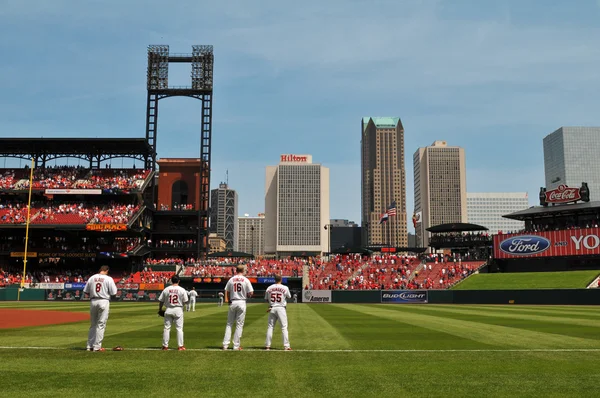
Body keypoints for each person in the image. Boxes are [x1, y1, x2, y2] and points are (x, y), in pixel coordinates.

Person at [83, 265, 117, 352]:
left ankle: (89, 346)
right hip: (103, 301)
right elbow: (114, 292)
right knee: (101, 324)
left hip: (93, 301)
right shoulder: (108, 278)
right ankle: (97, 347)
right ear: (106, 270)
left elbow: (86, 291)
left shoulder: (92, 277)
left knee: (93, 324)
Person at [222, 264, 253, 351]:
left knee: (229, 324)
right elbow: (251, 292)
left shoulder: (231, 279)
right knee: (239, 325)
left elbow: (226, 290)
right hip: (242, 302)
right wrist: (247, 294)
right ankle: (236, 346)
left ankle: (225, 345)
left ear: (236, 270)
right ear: (243, 271)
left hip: (233, 301)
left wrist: (227, 300)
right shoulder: (246, 280)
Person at [158, 276, 189, 351]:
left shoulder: (166, 289)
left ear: (171, 281)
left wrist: (160, 309)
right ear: (178, 281)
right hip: (178, 309)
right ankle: (180, 346)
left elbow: (161, 301)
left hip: (168, 309)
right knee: (179, 329)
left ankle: (165, 346)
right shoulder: (182, 289)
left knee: (166, 328)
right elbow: (186, 301)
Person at [264, 275, 292, 351]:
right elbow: (289, 296)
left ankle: (267, 346)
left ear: (274, 279)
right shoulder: (285, 287)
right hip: (281, 308)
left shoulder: (269, 288)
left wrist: (271, 304)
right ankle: (286, 346)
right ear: (281, 279)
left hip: (272, 308)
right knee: (284, 327)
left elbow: (266, 299)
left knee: (270, 327)